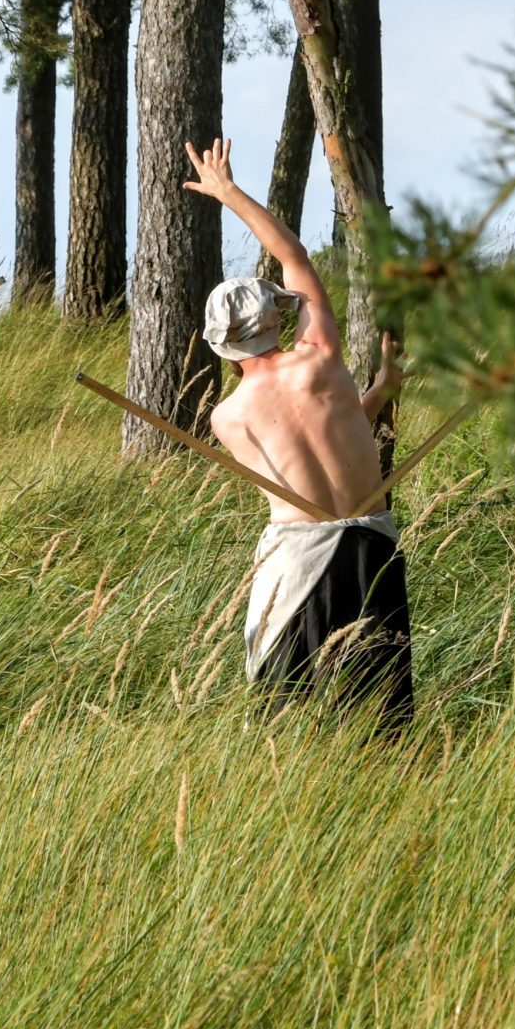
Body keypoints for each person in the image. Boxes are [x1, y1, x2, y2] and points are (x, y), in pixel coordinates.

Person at [182, 138, 412, 730]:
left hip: (299, 557)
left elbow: (302, 449)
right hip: (371, 544)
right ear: (276, 318)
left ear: (223, 346)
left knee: (290, 718)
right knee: (381, 717)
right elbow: (295, 258)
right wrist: (230, 192)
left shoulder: (226, 419)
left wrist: (380, 394)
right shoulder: (321, 359)